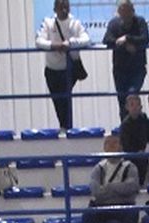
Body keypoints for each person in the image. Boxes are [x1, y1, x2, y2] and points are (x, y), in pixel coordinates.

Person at [37, 0, 91, 130]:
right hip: (52, 69)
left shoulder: (75, 23)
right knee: (57, 101)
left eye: (66, 7)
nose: (64, 10)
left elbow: (86, 39)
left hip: (69, 70)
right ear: (55, 9)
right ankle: (65, 127)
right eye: (61, 7)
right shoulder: (48, 23)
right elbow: (39, 41)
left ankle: (66, 128)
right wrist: (54, 46)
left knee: (65, 100)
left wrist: (71, 43)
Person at [85, 135, 142, 223]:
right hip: (103, 204)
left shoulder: (130, 166)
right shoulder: (98, 168)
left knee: (133, 215)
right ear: (104, 148)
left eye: (115, 143)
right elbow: (95, 191)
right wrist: (119, 188)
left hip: (123, 205)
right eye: (108, 144)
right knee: (87, 216)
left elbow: (132, 187)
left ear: (121, 147)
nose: (111, 146)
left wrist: (109, 187)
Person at [103, 1, 149, 120]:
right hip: (120, 70)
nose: (125, 15)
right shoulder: (114, 23)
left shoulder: (140, 22)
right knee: (122, 101)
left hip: (137, 68)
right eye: (122, 11)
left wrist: (127, 38)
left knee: (132, 97)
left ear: (133, 11)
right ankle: (125, 129)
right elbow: (107, 40)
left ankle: (138, 126)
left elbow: (145, 39)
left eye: (128, 11)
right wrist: (125, 45)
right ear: (119, 12)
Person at [119, 92, 149, 181]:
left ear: (141, 107)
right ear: (127, 107)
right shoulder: (125, 125)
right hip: (130, 154)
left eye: (137, 105)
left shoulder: (144, 119)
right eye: (132, 105)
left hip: (143, 152)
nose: (135, 107)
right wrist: (137, 152)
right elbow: (125, 145)